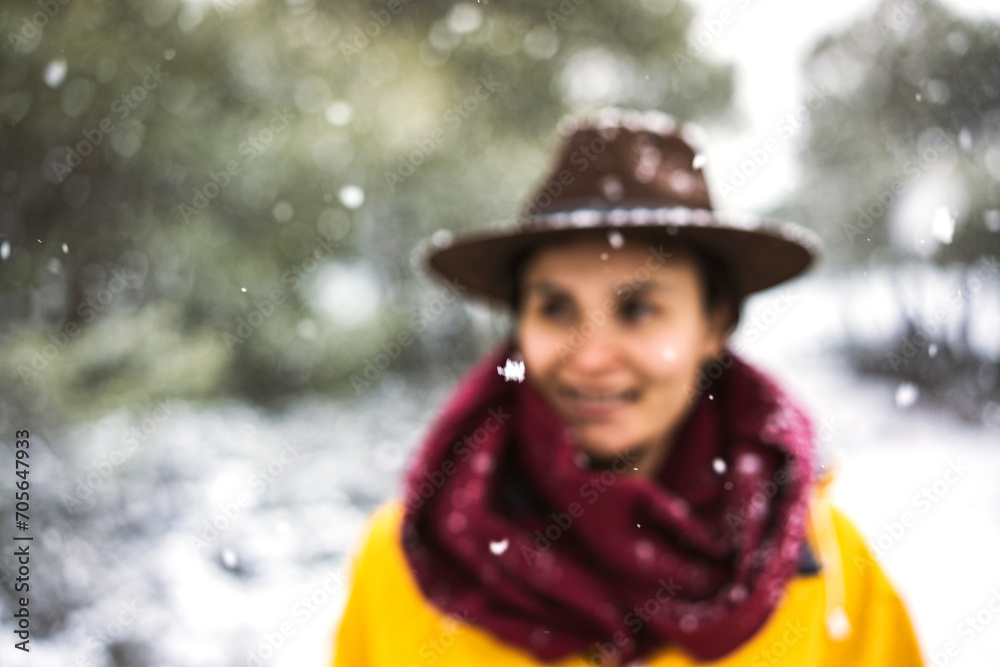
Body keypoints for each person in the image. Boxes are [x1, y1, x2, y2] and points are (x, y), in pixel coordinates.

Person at [331, 108, 924, 666]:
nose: (590, 358)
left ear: (714, 324)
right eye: (555, 308)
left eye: (638, 309)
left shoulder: (825, 566)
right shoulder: (412, 556)